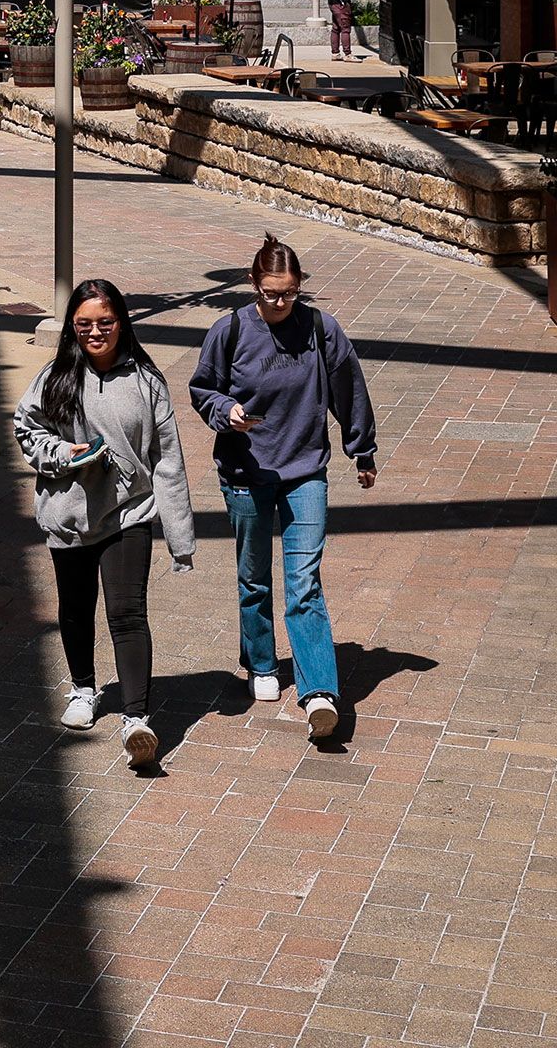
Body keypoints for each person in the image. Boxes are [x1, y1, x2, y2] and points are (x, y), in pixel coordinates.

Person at [188, 234, 378, 739]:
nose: (279, 302)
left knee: (305, 582)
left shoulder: (320, 329)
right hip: (246, 472)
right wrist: (225, 412)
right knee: (254, 577)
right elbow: (201, 388)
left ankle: (319, 691)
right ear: (253, 284)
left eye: (289, 293)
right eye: (271, 292)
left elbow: (348, 388)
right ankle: (263, 662)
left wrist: (361, 448)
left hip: (305, 471)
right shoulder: (229, 331)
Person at [12, 279, 196, 768]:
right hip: (68, 516)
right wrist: (60, 453)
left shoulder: (147, 382)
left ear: (122, 323)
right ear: (73, 327)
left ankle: (137, 719)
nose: (96, 332)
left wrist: (180, 538)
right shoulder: (54, 378)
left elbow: (168, 462)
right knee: (75, 609)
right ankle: (83, 689)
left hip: (127, 514)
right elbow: (26, 428)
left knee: (127, 613)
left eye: (106, 323)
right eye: (84, 324)